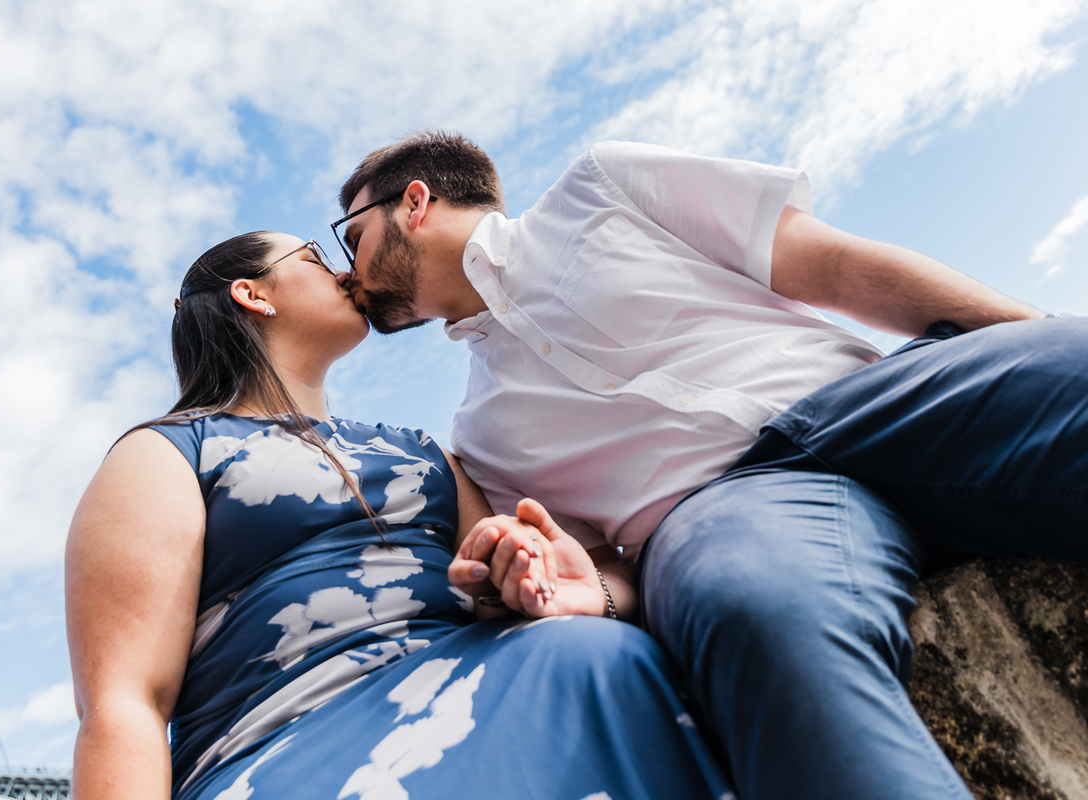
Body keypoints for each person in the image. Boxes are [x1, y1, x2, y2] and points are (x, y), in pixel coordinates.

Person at [334, 131, 1088, 800]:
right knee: (754, 616)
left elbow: (833, 266)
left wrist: (1035, 344)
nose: (349, 271)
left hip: (876, 396)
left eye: (350, 235)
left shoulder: (602, 185)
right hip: (725, 512)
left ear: (414, 201)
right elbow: (605, 566)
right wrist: (587, 592)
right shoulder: (479, 440)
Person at [65, 231, 731, 800]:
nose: (348, 272)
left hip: (498, 677)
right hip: (284, 734)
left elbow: (562, 586)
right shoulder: (169, 452)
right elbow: (125, 704)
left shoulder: (421, 453)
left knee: (600, 654)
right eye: (316, 260)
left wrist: (577, 596)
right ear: (253, 294)